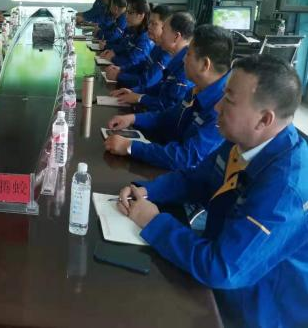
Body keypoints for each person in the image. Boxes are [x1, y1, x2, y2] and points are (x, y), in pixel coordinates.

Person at [116, 54, 308, 328]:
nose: (217, 106)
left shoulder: (284, 190)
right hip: (220, 262)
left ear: (264, 120)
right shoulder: (243, 140)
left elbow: (222, 269)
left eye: (229, 99)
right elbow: (198, 178)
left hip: (254, 307)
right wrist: (146, 191)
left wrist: (153, 221)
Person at [105, 25, 232, 171]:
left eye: (188, 54)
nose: (183, 59)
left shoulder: (222, 107)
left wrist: (130, 147)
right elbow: (168, 117)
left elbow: (186, 157)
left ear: (205, 64)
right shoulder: (198, 89)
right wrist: (133, 118)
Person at [111, 11, 195, 111]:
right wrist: (134, 92)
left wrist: (140, 98)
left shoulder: (185, 67)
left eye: (163, 31)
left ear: (176, 37)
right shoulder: (174, 58)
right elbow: (160, 88)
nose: (161, 35)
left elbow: (167, 106)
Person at [104, 4, 172, 91]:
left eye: (154, 24)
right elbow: (142, 66)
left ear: (166, 28)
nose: (149, 26)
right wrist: (121, 69)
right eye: (149, 23)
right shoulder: (157, 47)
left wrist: (119, 75)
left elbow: (147, 81)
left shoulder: (167, 54)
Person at [99, 0, 153, 70]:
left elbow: (133, 62)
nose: (126, 16)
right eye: (126, 12)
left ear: (141, 15)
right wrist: (108, 48)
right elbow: (122, 47)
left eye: (130, 13)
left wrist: (113, 58)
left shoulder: (145, 38)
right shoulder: (131, 30)